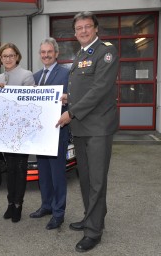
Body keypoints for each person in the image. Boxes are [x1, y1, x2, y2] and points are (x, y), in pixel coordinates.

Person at [56, 11, 119, 252]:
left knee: (97, 180)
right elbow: (84, 89)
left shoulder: (106, 52)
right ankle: (91, 217)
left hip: (98, 128)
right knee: (86, 178)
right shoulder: (82, 53)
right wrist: (68, 98)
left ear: (95, 29)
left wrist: (70, 112)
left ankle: (94, 231)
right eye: (79, 28)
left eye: (87, 27)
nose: (83, 31)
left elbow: (100, 89)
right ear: (75, 33)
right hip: (82, 127)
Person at [29, 38, 69, 230]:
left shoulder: (67, 74)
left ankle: (58, 213)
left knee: (57, 175)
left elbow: (74, 98)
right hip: (39, 134)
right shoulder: (35, 77)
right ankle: (46, 205)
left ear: (56, 53)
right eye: (43, 52)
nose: (46, 55)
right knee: (43, 174)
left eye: (49, 52)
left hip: (57, 133)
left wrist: (68, 100)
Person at [0, 43, 35, 223]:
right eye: (4, 56)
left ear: (17, 57)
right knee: (10, 169)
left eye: (11, 55)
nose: (8, 59)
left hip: (21, 131)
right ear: (1, 59)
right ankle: (10, 203)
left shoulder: (27, 75)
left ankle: (19, 204)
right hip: (5, 132)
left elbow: (28, 104)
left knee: (20, 169)